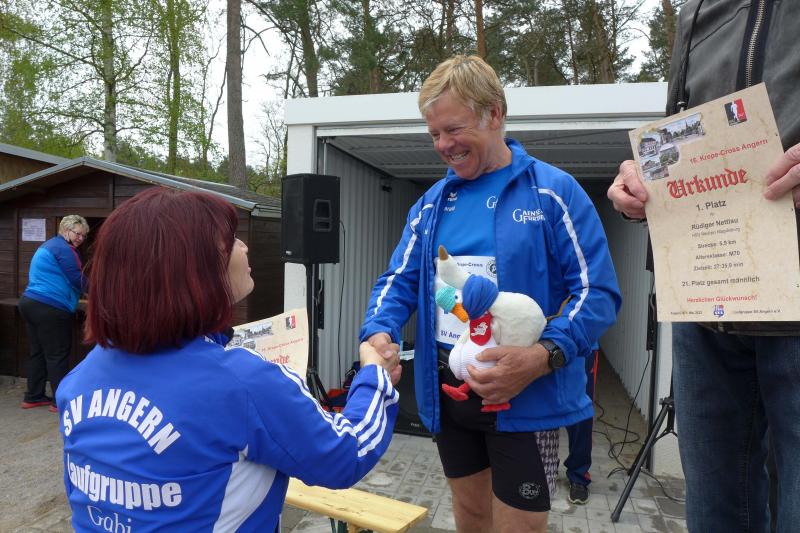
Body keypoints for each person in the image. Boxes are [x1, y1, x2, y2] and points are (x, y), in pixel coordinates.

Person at [360, 55, 621, 532]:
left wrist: (542, 356)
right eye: (434, 134)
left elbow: (597, 292)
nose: (444, 145)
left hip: (526, 396)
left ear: (494, 113)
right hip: (451, 395)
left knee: (520, 527)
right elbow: (398, 280)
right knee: (471, 517)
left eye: (454, 129)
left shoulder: (553, 192)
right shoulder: (431, 205)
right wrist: (378, 330)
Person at [56, 187, 400, 532]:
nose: (244, 247)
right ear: (194, 268)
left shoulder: (80, 377)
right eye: (231, 240)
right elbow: (347, 453)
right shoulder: (244, 382)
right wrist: (375, 375)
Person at [606, 1, 800, 530]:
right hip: (708, 305)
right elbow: (685, 133)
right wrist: (642, 180)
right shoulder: (695, 11)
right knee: (714, 514)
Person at [19, 214, 89, 413]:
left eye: (83, 235)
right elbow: (77, 279)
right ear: (65, 230)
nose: (81, 238)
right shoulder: (63, 249)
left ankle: (33, 396)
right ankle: (60, 402)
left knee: (38, 352)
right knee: (57, 355)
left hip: (30, 303)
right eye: (77, 234)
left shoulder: (49, 245)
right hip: (50, 307)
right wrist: (102, 294)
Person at [564, 348, 599, 505]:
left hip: (582, 346)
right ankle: (542, 467)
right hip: (538, 343)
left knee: (581, 413)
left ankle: (578, 474)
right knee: (538, 403)